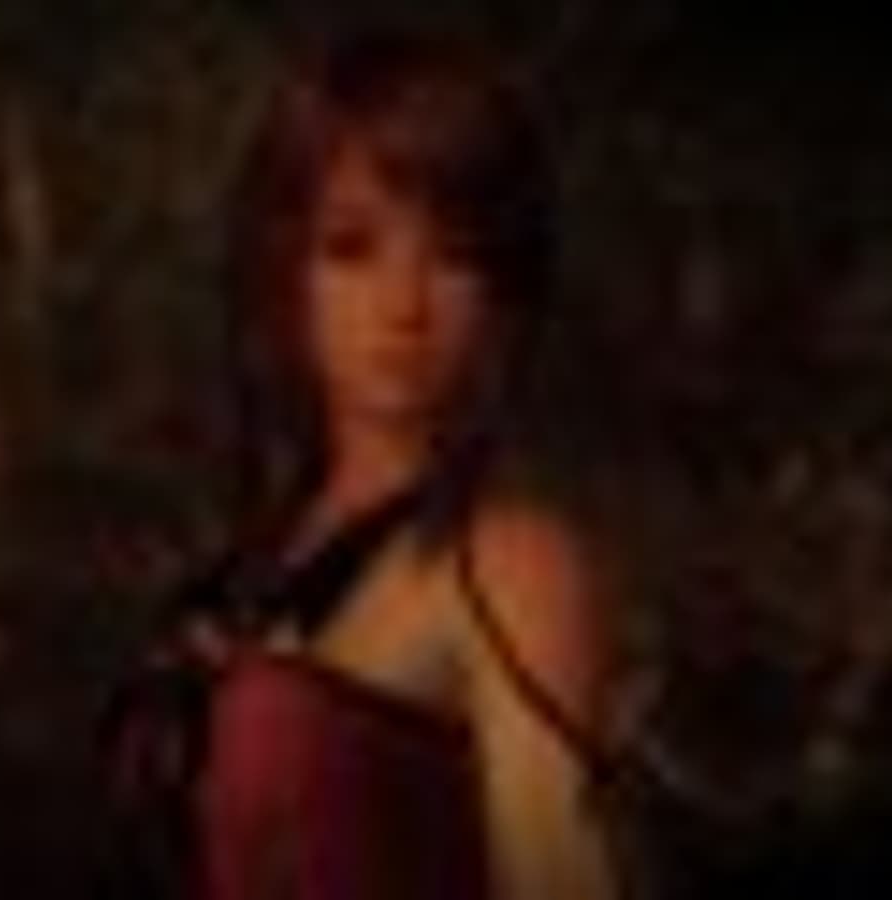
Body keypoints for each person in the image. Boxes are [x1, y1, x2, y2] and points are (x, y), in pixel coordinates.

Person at [104, 27, 619, 900]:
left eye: (454, 256)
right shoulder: (254, 557)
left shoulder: (512, 565)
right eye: (352, 247)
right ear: (285, 269)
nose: (404, 306)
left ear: (500, 291)